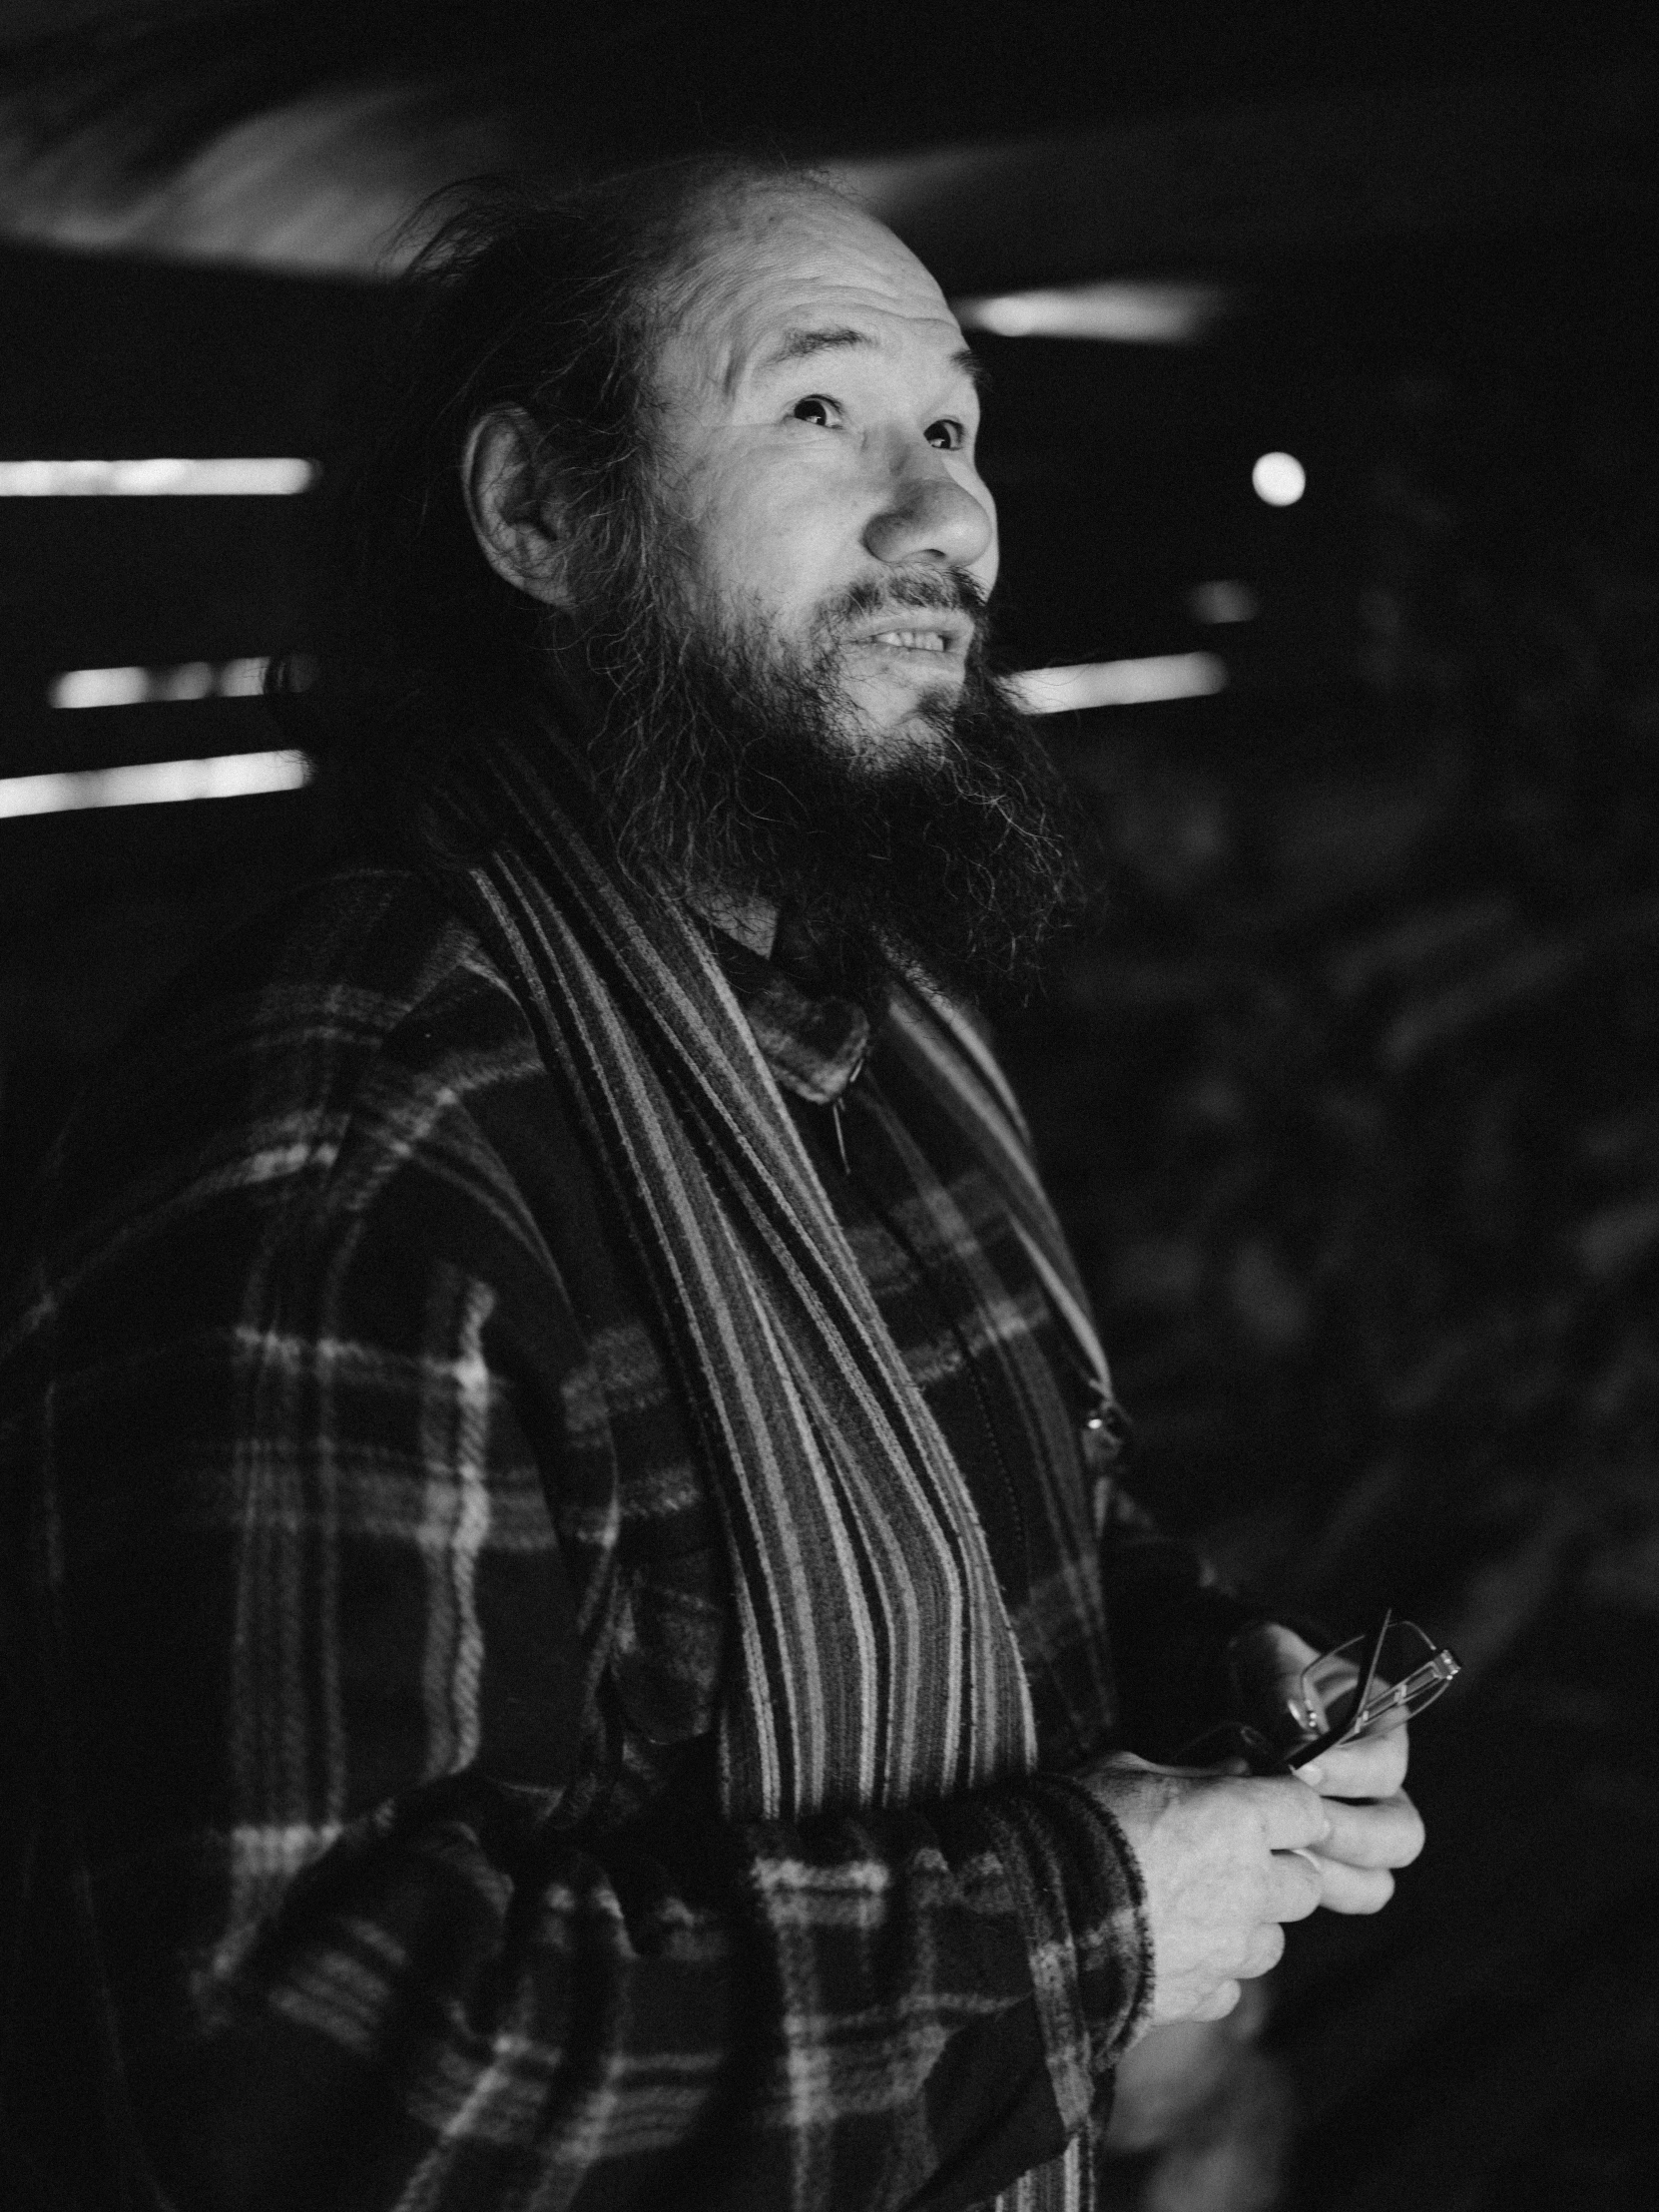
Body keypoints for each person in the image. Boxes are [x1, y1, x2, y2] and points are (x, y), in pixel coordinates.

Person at [0, 155, 1423, 2212]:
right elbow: (313, 2094)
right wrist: (1090, 1915)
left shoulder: (881, 1015)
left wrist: (1216, 1682)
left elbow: (1031, 1517)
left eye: (953, 425)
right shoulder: (348, 1123)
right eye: (822, 410)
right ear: (540, 519)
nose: (941, 510)